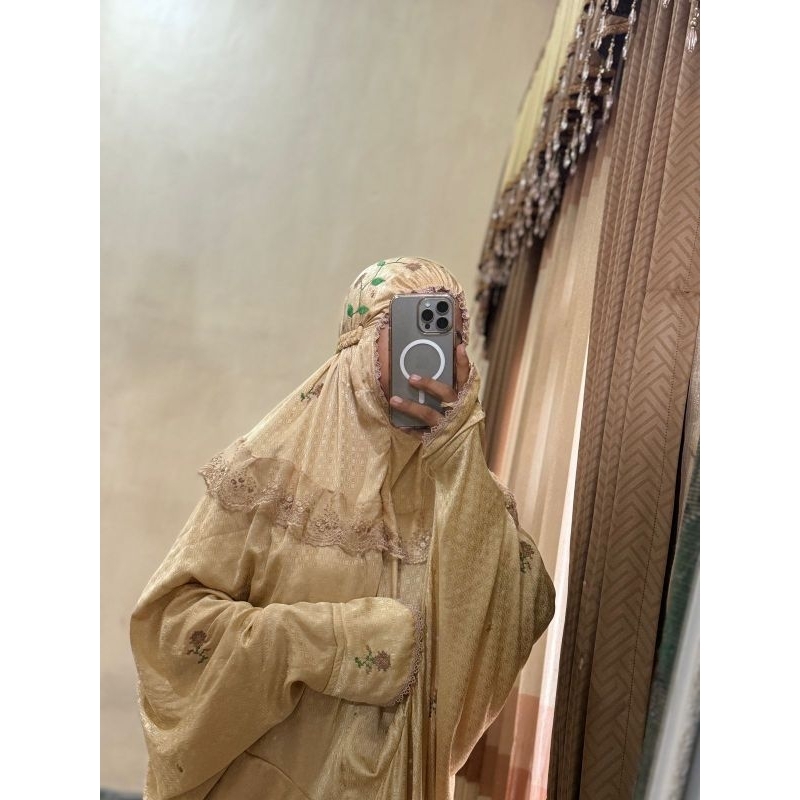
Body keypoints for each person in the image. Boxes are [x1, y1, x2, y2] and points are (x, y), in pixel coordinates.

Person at [130, 257, 555, 800]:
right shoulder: (268, 475)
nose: (434, 352)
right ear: (358, 344)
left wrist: (460, 456)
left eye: (452, 333)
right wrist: (333, 644)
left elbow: (516, 612)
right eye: (409, 327)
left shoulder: (467, 497)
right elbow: (169, 626)